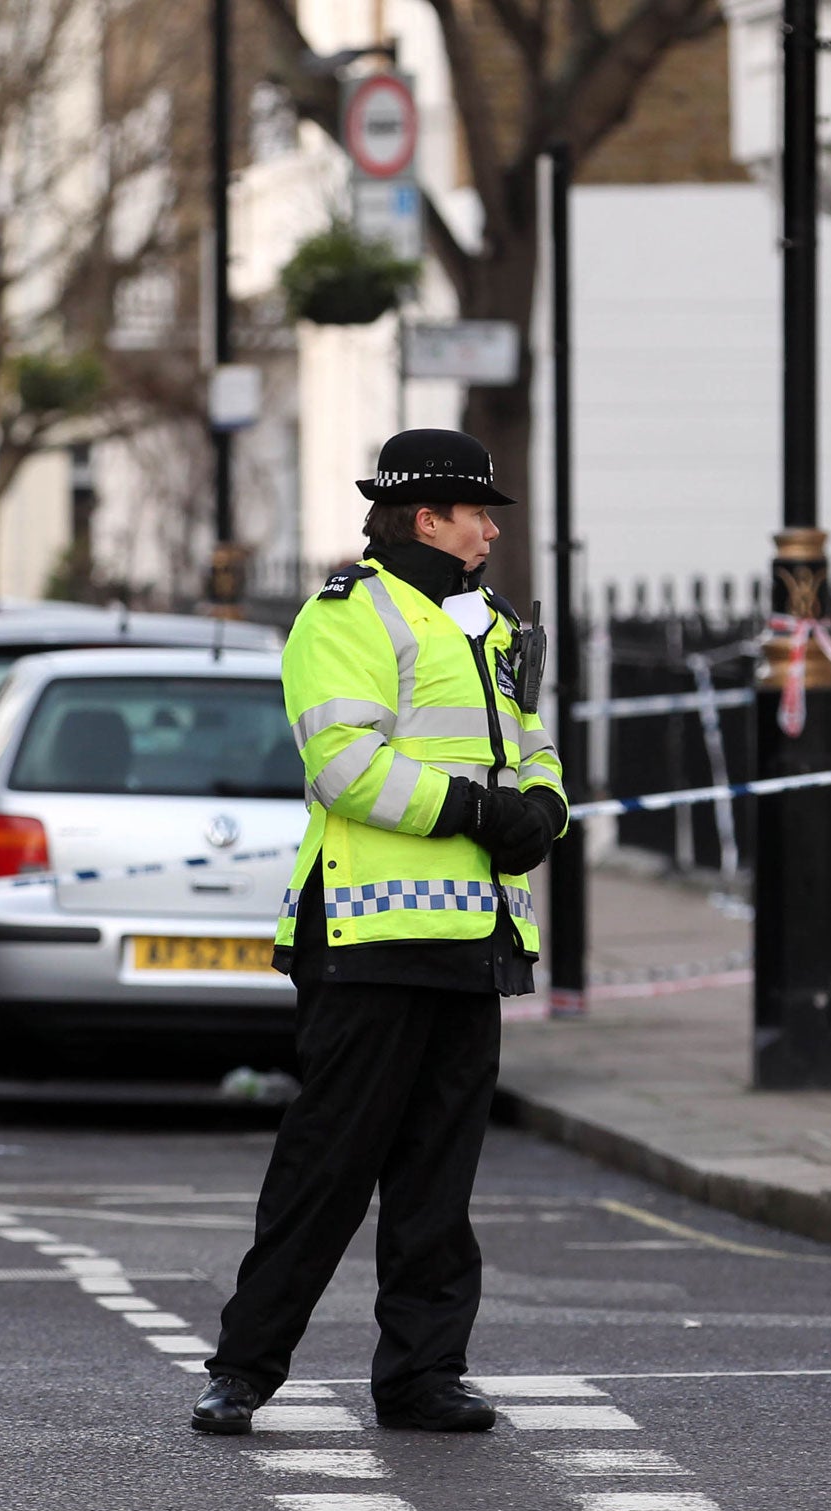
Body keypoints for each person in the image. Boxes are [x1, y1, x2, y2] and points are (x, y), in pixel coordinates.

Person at [191, 428, 569, 1436]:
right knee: (326, 1169)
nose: (491, 527)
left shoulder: (488, 623)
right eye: (477, 510)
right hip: (364, 936)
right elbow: (343, 767)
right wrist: (482, 814)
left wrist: (543, 806)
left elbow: (527, 747)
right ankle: (242, 1368)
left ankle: (421, 1375)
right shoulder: (345, 616)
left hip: (473, 937)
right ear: (424, 518)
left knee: (437, 1183)